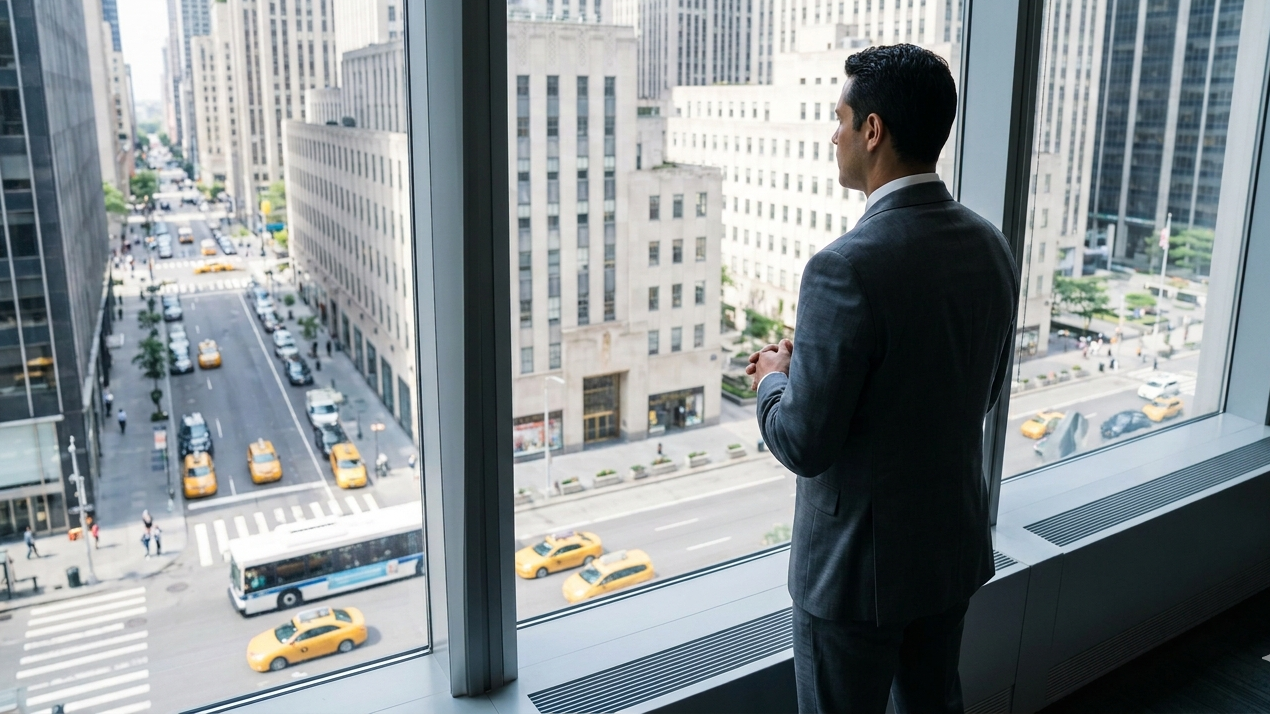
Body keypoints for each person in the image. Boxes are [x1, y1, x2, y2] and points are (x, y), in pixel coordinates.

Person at [747, 45, 1017, 714]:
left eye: (839, 119)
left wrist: (774, 380)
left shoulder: (844, 266)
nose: (832, 136)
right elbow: (980, 395)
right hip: (948, 549)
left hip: (853, 576)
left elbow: (804, 443)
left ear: (873, 131)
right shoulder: (990, 243)